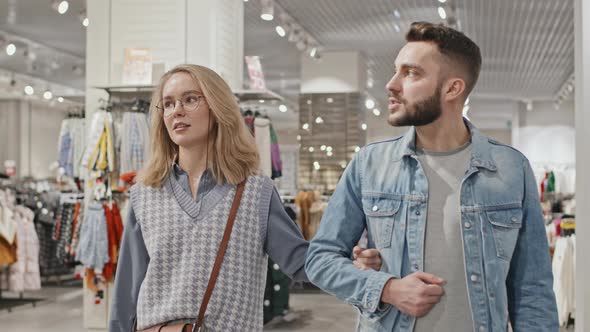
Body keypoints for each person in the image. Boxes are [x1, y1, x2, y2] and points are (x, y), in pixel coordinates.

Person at [305, 22, 558, 332]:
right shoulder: (370, 164)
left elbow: (533, 290)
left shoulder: (510, 168)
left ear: (452, 88)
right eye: (396, 71)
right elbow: (320, 259)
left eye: (411, 73)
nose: (392, 84)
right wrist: (387, 288)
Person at [109, 64, 383, 331]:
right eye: (168, 104)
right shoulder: (145, 194)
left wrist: (349, 264)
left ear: (217, 109)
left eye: (190, 99)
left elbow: (300, 261)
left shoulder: (255, 192)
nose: (177, 110)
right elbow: (127, 289)